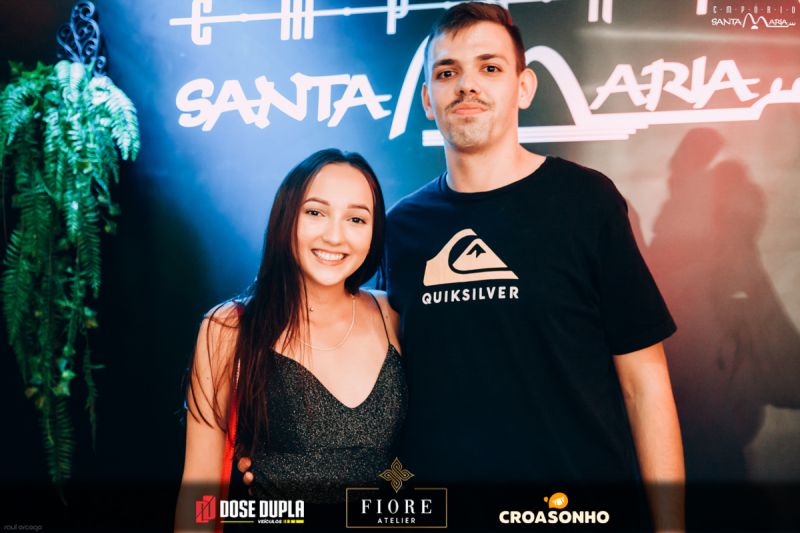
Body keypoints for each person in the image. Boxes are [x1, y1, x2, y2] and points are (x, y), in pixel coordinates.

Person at [241, 3, 685, 530]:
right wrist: (289, 462)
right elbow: (372, 375)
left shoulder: (587, 202)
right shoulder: (400, 228)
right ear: (428, 100)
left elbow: (645, 384)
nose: (466, 84)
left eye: (489, 67)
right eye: (447, 72)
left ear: (523, 87)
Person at [175, 149, 405, 531]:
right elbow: (201, 489)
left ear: (373, 232)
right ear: (287, 217)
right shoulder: (229, 328)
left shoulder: (392, 315)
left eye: (356, 219)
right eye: (315, 212)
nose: (334, 235)